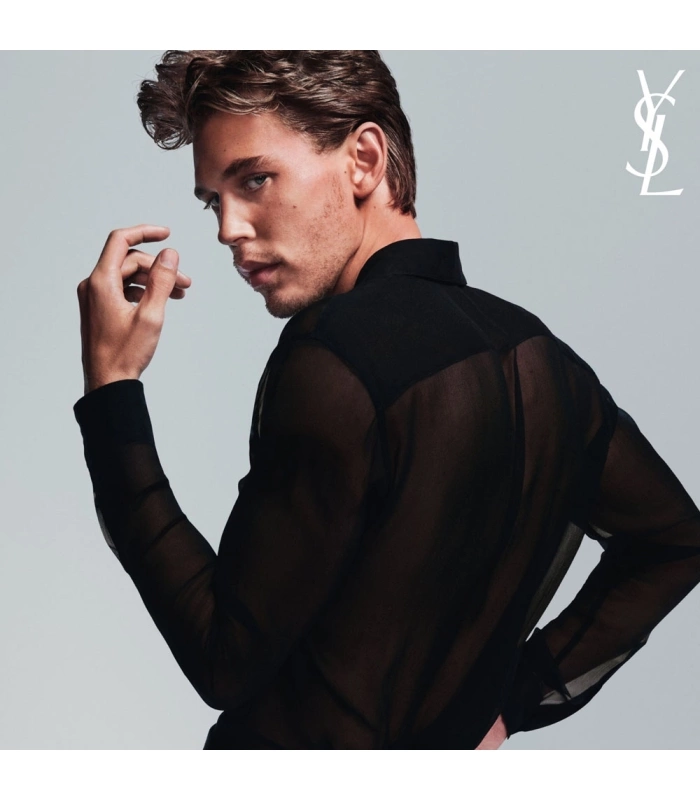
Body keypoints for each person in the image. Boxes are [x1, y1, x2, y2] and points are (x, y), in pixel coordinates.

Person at [73, 50, 700, 749]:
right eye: (214, 201)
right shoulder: (545, 359)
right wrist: (509, 704)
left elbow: (224, 657)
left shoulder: (332, 357)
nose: (228, 228)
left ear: (364, 160)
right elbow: (673, 540)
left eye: (255, 179)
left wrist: (112, 390)